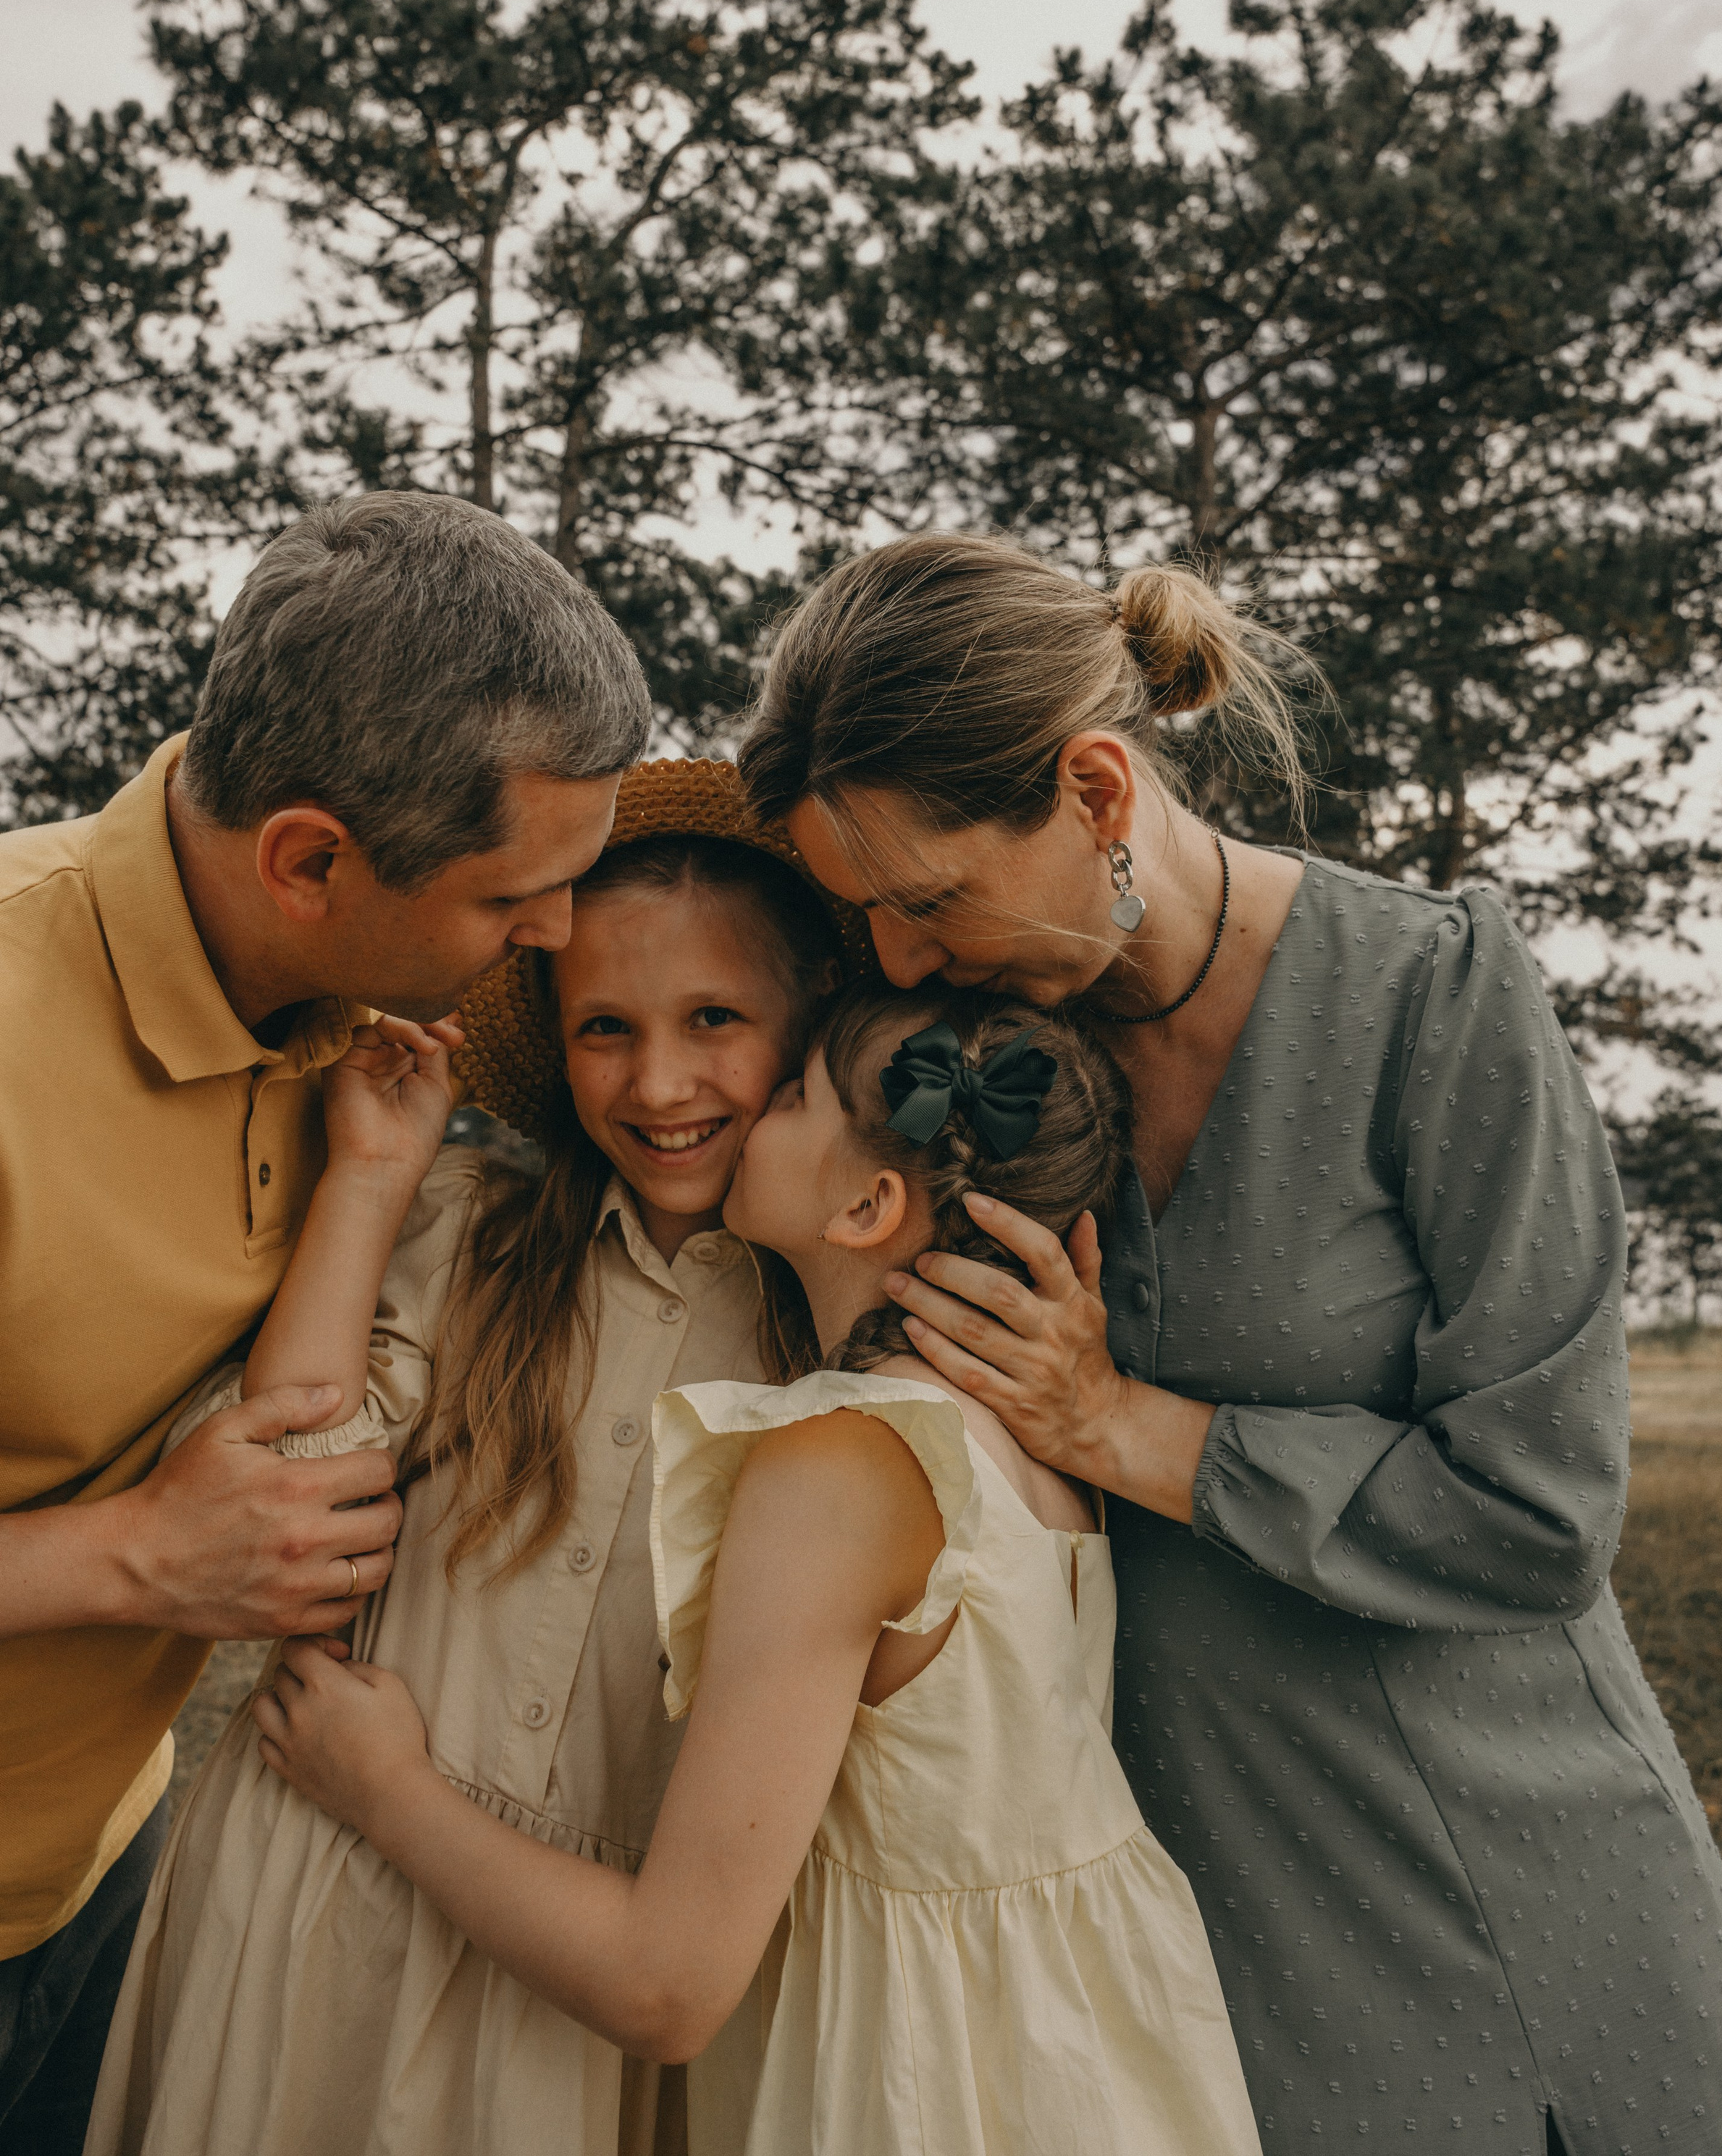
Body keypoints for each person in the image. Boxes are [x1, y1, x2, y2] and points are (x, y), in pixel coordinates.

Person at [730, 531, 1722, 2156]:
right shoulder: (978, 1061)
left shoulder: (1430, 997)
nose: (891, 962)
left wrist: (1128, 1428)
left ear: (1097, 792)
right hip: (1194, 1895)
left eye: (925, 901)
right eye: (865, 917)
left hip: (1506, 1853)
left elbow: (1540, 1506)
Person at [219, 980, 1261, 2156]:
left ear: (868, 1202)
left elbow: (664, 1986)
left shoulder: (840, 1466)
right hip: (1070, 2059)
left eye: (796, 1091)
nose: (751, 1103)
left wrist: (387, 1788)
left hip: (910, 2084)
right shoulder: (1027, 1440)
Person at [0, 489, 646, 2156]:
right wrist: (139, 1557)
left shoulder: (353, 1028)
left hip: (90, 1872)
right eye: (519, 892)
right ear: (308, 859)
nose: (555, 939)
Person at [87, 764, 857, 2156]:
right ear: (556, 1045)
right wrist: (372, 1178)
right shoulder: (474, 1230)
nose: (660, 1081)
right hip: (320, 1893)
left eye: (716, 1021)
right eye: (606, 1028)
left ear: (809, 1025)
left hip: (583, 1962)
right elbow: (300, 1464)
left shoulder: (841, 1333)